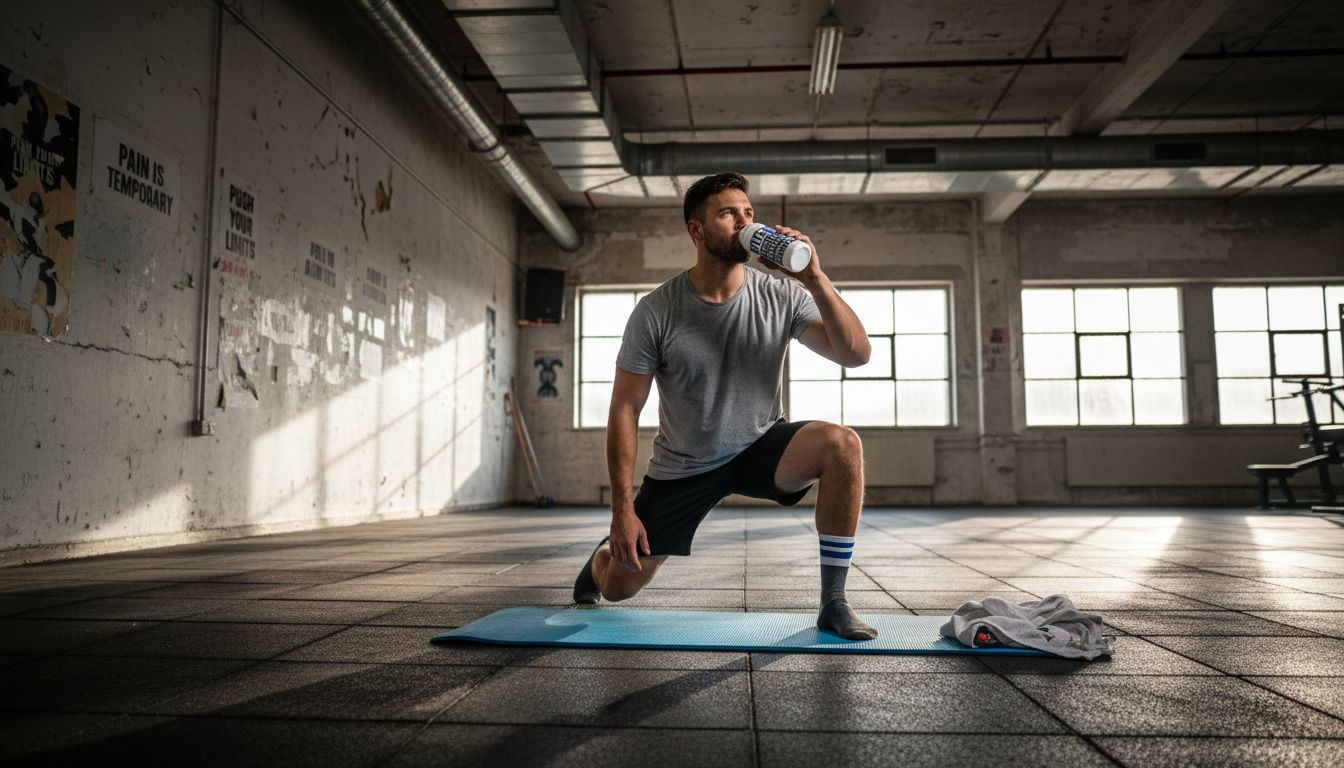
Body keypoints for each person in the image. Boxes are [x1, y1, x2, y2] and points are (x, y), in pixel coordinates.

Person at [572, 172, 877, 640]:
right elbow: (625, 410)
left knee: (842, 445)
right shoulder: (656, 311)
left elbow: (856, 354)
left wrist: (814, 278)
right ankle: (599, 563)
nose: (743, 222)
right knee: (619, 586)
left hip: (759, 445)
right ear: (696, 230)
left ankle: (833, 602)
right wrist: (621, 510)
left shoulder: (781, 295)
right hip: (685, 466)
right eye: (728, 213)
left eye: (748, 213)